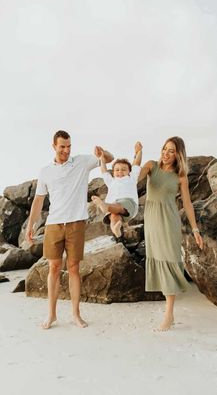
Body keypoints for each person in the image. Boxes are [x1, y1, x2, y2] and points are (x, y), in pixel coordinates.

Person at [25, 130, 113, 329]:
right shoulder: (45, 171)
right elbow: (38, 201)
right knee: (53, 269)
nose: (66, 150)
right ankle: (51, 315)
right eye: (62, 146)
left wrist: (103, 152)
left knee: (73, 269)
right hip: (54, 224)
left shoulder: (81, 162)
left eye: (69, 146)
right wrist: (30, 226)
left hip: (76, 223)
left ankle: (76, 314)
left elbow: (108, 158)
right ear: (54, 146)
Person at [138, 136, 203, 332]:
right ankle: (170, 314)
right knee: (158, 259)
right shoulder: (151, 166)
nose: (166, 153)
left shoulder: (180, 176)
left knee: (168, 261)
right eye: (165, 149)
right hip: (151, 221)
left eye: (171, 151)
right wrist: (137, 155)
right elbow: (133, 177)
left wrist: (195, 229)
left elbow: (188, 204)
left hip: (168, 222)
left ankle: (169, 314)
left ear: (178, 155)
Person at [91, 142, 143, 238]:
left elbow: (136, 163)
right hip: (114, 206)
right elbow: (104, 171)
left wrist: (139, 151)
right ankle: (116, 230)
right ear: (113, 172)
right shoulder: (111, 181)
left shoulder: (131, 178)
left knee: (118, 207)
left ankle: (104, 206)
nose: (120, 172)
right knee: (114, 217)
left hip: (129, 203)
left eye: (123, 169)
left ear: (129, 171)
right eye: (117, 170)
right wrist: (102, 158)